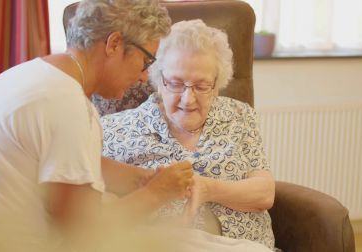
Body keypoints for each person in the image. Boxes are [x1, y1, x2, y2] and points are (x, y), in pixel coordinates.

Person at [0, 1, 194, 251]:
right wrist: (156, 194)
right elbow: (85, 235)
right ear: (114, 44)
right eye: (146, 62)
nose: (144, 77)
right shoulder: (67, 104)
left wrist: (142, 179)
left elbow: (65, 161)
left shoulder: (30, 76)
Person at [101, 19, 278, 251]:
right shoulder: (114, 130)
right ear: (158, 80)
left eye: (202, 86)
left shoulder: (239, 115)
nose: (188, 98)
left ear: (216, 86)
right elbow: (97, 212)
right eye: (175, 83)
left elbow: (265, 194)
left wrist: (208, 188)